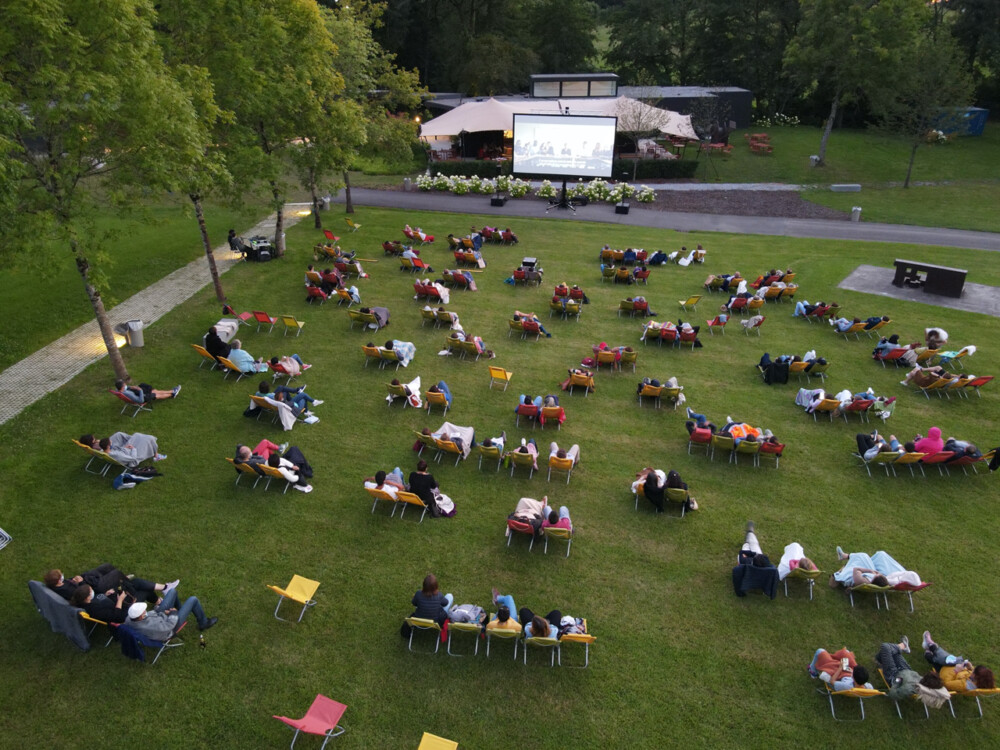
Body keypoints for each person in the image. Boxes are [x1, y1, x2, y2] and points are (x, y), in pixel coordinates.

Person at [876, 637, 952, 708]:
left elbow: (893, 693)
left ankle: (903, 646)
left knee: (885, 647)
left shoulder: (909, 687)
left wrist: (897, 682)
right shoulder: (923, 683)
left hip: (893, 673)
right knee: (892, 653)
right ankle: (882, 657)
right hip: (906, 669)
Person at [45, 564, 175, 605]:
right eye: (60, 575)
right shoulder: (66, 591)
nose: (63, 575)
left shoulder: (60, 585)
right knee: (122, 576)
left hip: (89, 587)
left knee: (105, 567)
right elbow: (82, 592)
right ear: (58, 581)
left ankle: (163, 592)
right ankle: (165, 590)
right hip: (96, 591)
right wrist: (81, 582)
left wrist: (78, 578)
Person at [127, 586, 218, 639]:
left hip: (160, 617)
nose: (146, 611)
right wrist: (173, 614)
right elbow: (168, 626)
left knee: (172, 591)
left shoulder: (130, 619)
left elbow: (151, 616)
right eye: (144, 611)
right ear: (141, 616)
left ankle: (181, 609)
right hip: (170, 627)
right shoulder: (152, 626)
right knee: (193, 599)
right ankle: (203, 623)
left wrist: (162, 612)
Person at [922, 632, 995, 691]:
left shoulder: (963, 685)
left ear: (976, 676)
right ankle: (931, 649)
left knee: (947, 660)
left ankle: (931, 646)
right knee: (951, 659)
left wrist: (956, 671)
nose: (972, 672)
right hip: (953, 667)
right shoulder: (977, 682)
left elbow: (946, 684)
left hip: (946, 670)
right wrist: (970, 668)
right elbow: (970, 674)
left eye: (973, 672)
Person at [830, 548, 921, 588]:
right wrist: (876, 572)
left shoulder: (865, 580)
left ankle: (845, 556)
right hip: (885, 574)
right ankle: (846, 556)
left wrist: (869, 570)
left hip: (861, 570)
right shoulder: (887, 580)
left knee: (863, 557)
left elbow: (855, 570)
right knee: (881, 555)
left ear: (875, 577)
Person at [732, 521, 778, 598]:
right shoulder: (770, 568)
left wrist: (748, 555)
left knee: (746, 547)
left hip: (748, 571)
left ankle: (748, 538)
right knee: (755, 545)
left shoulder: (746, 564)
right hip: (760, 574)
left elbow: (741, 555)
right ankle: (750, 534)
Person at [79, 432, 166, 466]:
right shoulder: (114, 454)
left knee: (121, 434)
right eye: (93, 438)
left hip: (123, 450)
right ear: (109, 446)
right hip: (129, 453)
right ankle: (156, 455)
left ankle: (136, 439)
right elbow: (132, 459)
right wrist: (133, 449)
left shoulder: (98, 448)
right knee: (148, 439)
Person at [807, 648, 872, 691]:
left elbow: (832, 682)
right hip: (846, 674)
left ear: (854, 678)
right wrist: (851, 672)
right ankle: (835, 659)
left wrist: (840, 668)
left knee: (820, 651)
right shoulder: (867, 687)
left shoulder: (846, 686)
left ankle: (813, 672)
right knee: (846, 654)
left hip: (838, 675)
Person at [256, 381, 322, 418]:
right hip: (284, 405)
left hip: (274, 403)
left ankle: (297, 390)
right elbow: (278, 399)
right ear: (268, 389)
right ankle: (313, 402)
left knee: (283, 389)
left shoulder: (257, 394)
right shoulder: (271, 396)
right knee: (303, 396)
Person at [114, 379, 180, 403]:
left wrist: (130, 387)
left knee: (154, 391)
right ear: (122, 387)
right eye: (124, 384)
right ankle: (172, 394)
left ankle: (172, 391)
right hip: (142, 397)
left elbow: (126, 388)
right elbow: (140, 400)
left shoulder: (118, 390)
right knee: (157, 395)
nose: (126, 384)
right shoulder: (128, 394)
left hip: (138, 394)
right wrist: (140, 390)